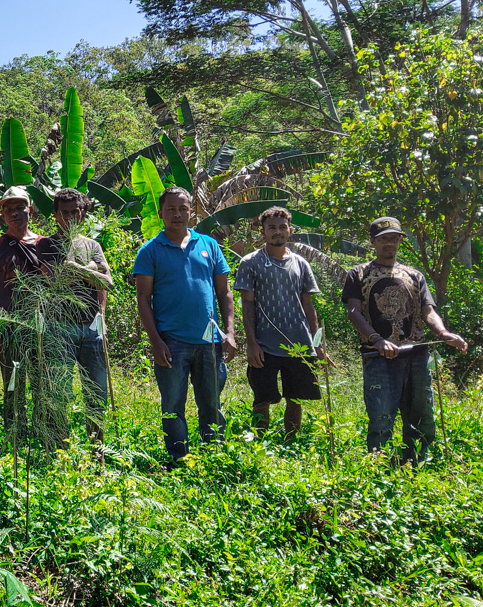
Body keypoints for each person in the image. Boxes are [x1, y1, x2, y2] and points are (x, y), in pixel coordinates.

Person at [342, 216, 467, 463]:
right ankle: (379, 469)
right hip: (378, 356)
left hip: (417, 355)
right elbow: (353, 312)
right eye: (383, 239)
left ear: (400, 240)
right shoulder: (359, 274)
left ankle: (417, 464)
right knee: (380, 417)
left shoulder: (414, 275)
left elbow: (428, 311)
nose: (389, 243)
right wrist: (376, 339)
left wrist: (443, 333)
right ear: (373, 242)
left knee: (422, 415)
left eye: (393, 238)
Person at [133, 187, 236, 462]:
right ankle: (178, 460)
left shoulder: (208, 245)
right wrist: (156, 342)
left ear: (192, 211)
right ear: (161, 213)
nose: (177, 214)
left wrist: (230, 333)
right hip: (171, 342)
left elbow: (224, 292)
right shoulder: (150, 251)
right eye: (171, 209)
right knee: (173, 406)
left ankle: (214, 457)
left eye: (183, 208)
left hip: (210, 341)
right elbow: (143, 298)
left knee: (212, 404)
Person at [233, 206, 327, 438]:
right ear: (262, 231)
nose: (277, 232)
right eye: (271, 227)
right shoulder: (250, 263)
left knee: (295, 398)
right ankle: (259, 444)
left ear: (290, 230)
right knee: (262, 398)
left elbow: (308, 305)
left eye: (282, 227)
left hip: (299, 344)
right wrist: (251, 343)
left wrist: (317, 344)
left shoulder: (301, 263)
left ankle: (291, 443)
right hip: (264, 344)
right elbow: (247, 305)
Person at [36, 188, 113, 440]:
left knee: (97, 393)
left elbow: (107, 282)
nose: (70, 217)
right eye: (64, 212)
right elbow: (55, 279)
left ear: (82, 214)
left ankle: (97, 448)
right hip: (59, 328)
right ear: (56, 215)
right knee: (59, 392)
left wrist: (79, 267)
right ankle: (60, 447)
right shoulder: (46, 244)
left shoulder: (92, 245)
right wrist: (91, 270)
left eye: (75, 212)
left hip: (91, 327)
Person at [0, 186, 42, 427]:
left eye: (20, 207)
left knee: (42, 384)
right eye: (8, 209)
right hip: (9, 329)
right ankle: (15, 431)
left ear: (30, 209)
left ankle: (42, 431)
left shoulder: (45, 245)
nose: (15, 213)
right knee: (12, 383)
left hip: (40, 330)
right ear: (2, 215)